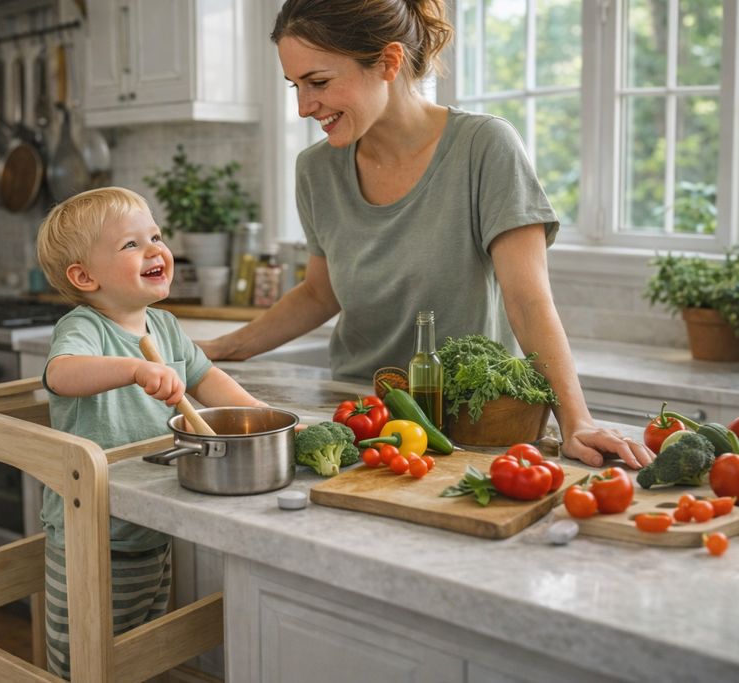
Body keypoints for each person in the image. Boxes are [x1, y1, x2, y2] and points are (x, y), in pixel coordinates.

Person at [197, 0, 653, 470]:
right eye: (296, 85)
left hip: (475, 421)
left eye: (319, 82)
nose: (303, 107)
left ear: (388, 62)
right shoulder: (316, 169)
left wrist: (576, 421)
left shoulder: (484, 147)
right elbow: (319, 292)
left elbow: (528, 301)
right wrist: (216, 350)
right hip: (360, 417)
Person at [35, 186, 264, 679]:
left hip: (150, 524)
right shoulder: (85, 327)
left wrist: (261, 416)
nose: (155, 250)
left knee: (139, 652)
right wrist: (134, 369)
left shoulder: (165, 325)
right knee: (85, 661)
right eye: (131, 244)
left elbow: (207, 378)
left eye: (156, 237)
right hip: (90, 533)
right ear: (85, 277)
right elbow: (61, 373)